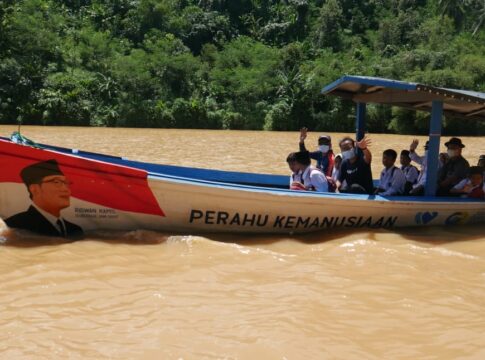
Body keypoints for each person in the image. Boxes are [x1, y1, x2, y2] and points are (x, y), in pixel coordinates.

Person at [5, 159, 84, 239]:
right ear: (35, 189)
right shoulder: (14, 225)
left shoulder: (75, 229)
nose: (66, 189)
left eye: (66, 183)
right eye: (56, 182)